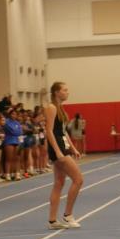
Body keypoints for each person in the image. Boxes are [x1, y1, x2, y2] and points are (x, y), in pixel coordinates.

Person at [44, 82, 84, 229]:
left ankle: (52, 221)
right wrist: (57, 151)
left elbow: (63, 131)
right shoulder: (51, 107)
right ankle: (68, 215)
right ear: (56, 92)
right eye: (64, 90)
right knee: (78, 179)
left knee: (59, 183)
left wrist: (73, 148)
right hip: (58, 147)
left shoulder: (60, 108)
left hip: (63, 146)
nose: (68, 92)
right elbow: (49, 131)